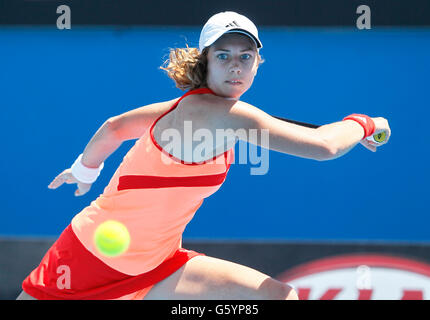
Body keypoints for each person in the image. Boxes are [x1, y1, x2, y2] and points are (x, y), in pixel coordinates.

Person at [17, 11, 390, 300]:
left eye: (246, 56)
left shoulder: (184, 106)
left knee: (278, 296)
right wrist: (365, 123)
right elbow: (324, 146)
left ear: (258, 64)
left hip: (158, 262)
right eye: (223, 55)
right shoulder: (226, 115)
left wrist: (84, 169)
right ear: (204, 61)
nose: (235, 65)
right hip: (90, 258)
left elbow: (115, 127)